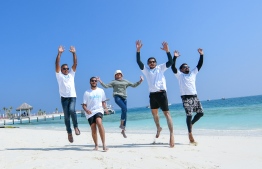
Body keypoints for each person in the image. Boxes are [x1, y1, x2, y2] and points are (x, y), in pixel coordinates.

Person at [136, 40, 175, 148]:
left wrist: (168, 51)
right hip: (152, 95)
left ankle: (171, 135)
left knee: (167, 114)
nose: (152, 63)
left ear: (156, 63)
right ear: (148, 64)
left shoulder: (160, 68)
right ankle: (158, 128)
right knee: (154, 114)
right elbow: (138, 62)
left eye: (153, 61)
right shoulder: (146, 70)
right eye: (150, 62)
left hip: (161, 94)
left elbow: (171, 62)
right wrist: (138, 50)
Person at [171, 48, 204, 144]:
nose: (187, 68)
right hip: (186, 97)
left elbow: (199, 65)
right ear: (181, 69)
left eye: (188, 67)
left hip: (195, 97)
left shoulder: (193, 74)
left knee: (201, 113)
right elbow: (173, 67)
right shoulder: (180, 75)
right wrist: (175, 57)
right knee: (189, 115)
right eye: (185, 67)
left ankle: (191, 124)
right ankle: (190, 133)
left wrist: (201, 55)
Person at [97, 70, 144, 138]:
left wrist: (140, 81)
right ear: (115, 76)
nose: (118, 75)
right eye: (117, 74)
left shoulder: (126, 81)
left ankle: (123, 130)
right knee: (124, 109)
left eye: (119, 74)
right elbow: (106, 86)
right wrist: (100, 81)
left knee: (125, 112)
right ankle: (121, 125)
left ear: (122, 75)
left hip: (124, 98)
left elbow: (133, 85)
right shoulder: (114, 82)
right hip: (117, 97)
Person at [55, 45, 80, 143]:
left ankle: (76, 127)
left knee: (72, 110)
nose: (66, 70)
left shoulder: (71, 75)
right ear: (61, 70)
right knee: (66, 116)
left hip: (72, 96)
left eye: (67, 68)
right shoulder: (59, 76)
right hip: (64, 98)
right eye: (64, 69)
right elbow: (57, 63)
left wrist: (74, 53)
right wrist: (59, 53)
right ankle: (69, 133)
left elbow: (75, 63)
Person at [82, 77, 109, 151]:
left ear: (97, 82)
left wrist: (105, 108)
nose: (94, 82)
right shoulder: (87, 92)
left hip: (99, 110)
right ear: (90, 82)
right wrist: (86, 110)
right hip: (90, 112)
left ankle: (104, 144)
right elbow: (84, 105)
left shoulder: (101, 91)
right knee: (93, 128)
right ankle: (96, 145)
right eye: (92, 81)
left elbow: (103, 101)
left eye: (95, 81)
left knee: (99, 122)